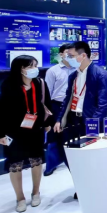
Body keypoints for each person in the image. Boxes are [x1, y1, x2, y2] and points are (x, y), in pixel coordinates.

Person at [54, 41, 107, 199]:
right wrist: (59, 119)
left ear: (83, 55)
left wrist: (93, 124)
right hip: (74, 120)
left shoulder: (101, 74)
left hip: (91, 122)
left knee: (92, 158)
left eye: (71, 56)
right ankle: (81, 185)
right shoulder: (73, 76)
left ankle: (96, 186)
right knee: (73, 156)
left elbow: (103, 103)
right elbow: (67, 99)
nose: (68, 58)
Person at [0, 55, 53, 212]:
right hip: (14, 131)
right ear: (21, 69)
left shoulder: (40, 83)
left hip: (35, 130)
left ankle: (36, 192)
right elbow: (1, 111)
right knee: (15, 164)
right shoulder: (9, 85)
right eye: (31, 66)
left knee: (36, 161)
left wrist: (48, 123)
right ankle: (20, 197)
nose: (35, 69)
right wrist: (0, 134)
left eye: (35, 65)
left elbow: (47, 104)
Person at [43, 43, 76, 176]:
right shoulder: (53, 71)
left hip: (74, 106)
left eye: (72, 53)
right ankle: (51, 165)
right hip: (57, 105)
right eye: (67, 53)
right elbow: (47, 93)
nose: (70, 55)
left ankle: (72, 161)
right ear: (61, 54)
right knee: (54, 135)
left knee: (72, 133)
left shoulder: (78, 69)